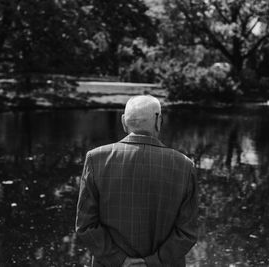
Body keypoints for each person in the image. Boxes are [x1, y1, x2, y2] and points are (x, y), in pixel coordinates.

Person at [76, 95, 198, 266]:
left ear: (124, 122)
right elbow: (187, 232)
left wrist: (121, 260)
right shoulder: (184, 166)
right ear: (158, 122)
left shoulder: (96, 159)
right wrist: (152, 262)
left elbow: (85, 226)